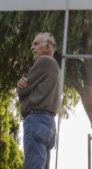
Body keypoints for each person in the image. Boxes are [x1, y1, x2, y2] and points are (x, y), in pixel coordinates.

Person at [17, 33, 60, 169]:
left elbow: (23, 91)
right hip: (48, 123)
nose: (32, 47)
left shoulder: (43, 61)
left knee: (33, 165)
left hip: (36, 120)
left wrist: (20, 86)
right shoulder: (56, 68)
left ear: (47, 47)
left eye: (36, 44)